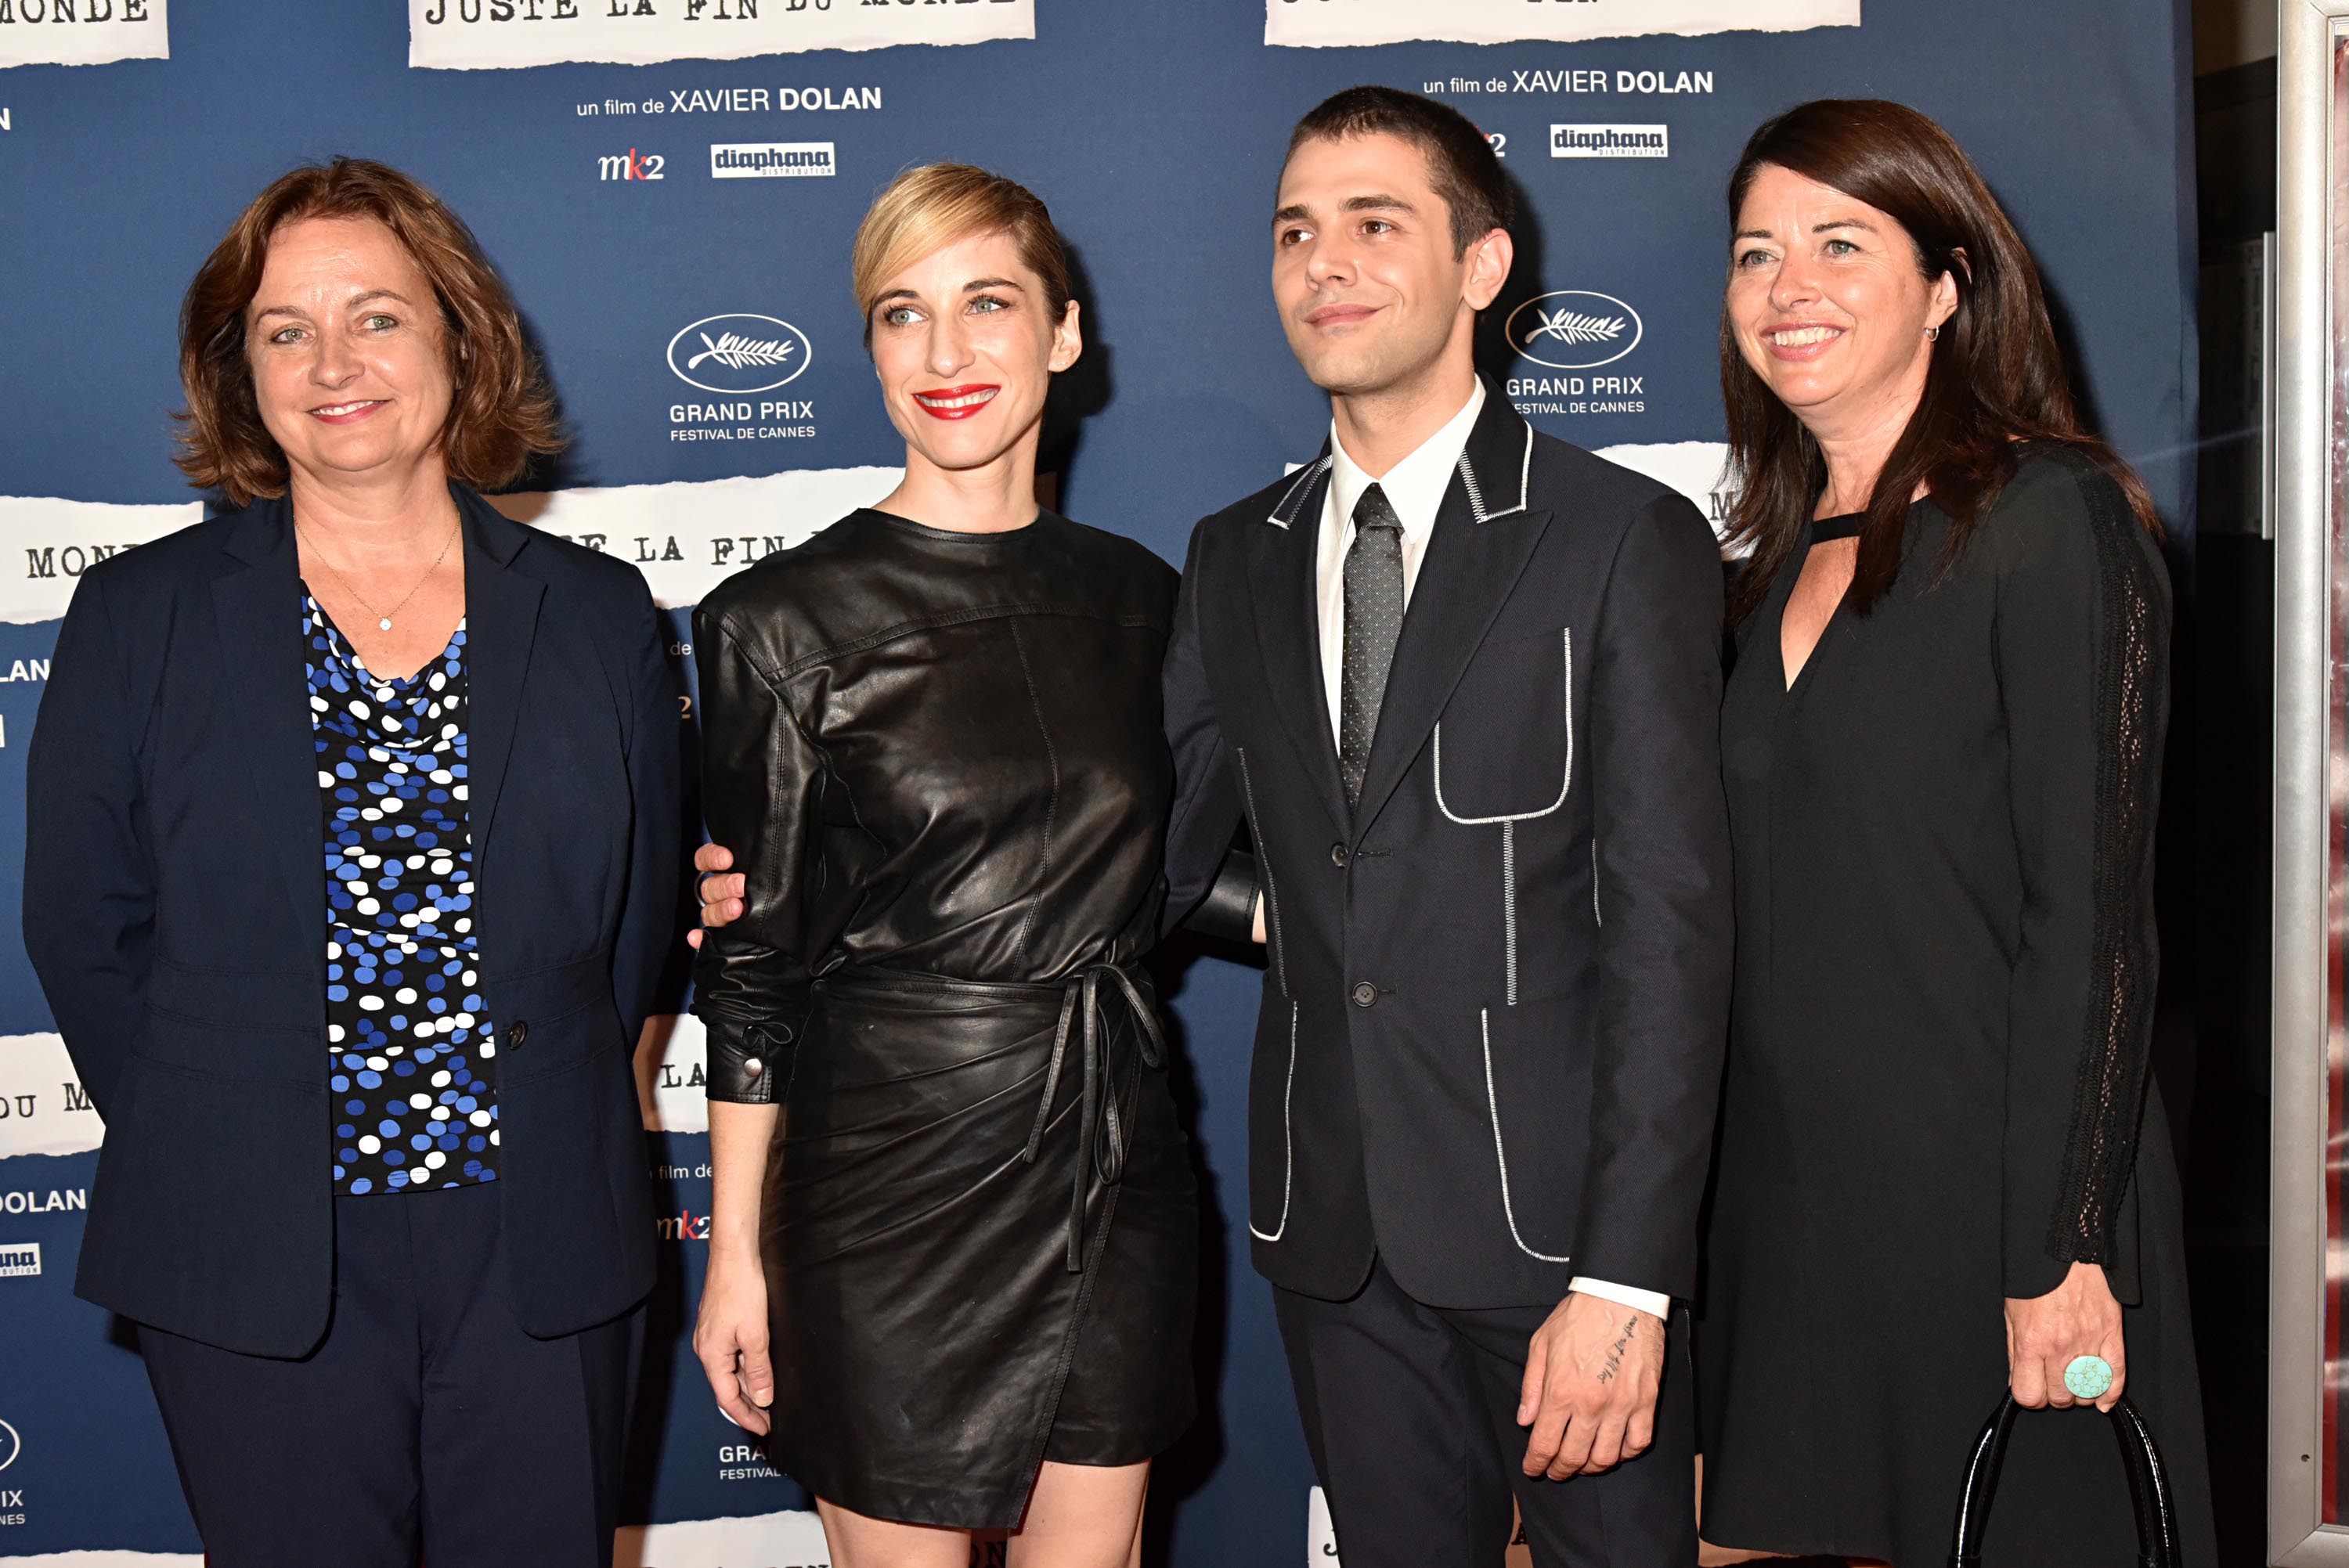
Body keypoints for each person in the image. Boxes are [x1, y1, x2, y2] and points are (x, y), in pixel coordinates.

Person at [692, 92, 1726, 1566]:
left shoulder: (1615, 534)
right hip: (1282, 1220)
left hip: (1533, 1225)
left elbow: (1673, 928)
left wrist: (1629, 1280)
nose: (1329, 263)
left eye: (1378, 224)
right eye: (1299, 230)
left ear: (1483, 267)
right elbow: (1159, 860)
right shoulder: (1238, 558)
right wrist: (767, 893)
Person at [21, 159, 682, 1567]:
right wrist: (222, 1122)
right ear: (238, 369)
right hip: (249, 1249)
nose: (335, 362)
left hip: (542, 1247)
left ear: (459, 335)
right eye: (284, 329)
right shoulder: (141, 615)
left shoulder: (598, 612)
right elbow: (83, 926)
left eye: (378, 316)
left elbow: (633, 939)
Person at [1693, 99, 2217, 1566]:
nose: (1787, 288)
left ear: (1946, 284)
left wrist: (2063, 1243)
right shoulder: (1760, 568)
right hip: (1792, 1208)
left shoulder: (2051, 520)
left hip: (2000, 1203)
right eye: (1755, 253)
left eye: (1840, 243)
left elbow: (2097, 915)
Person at [685, 164, 1221, 1568]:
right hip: (886, 1179)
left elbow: (1177, 866)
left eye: (988, 304)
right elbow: (756, 966)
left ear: (1062, 332)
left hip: (1117, 1151)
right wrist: (732, 1252)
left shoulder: (1144, 597)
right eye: (900, 314)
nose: (944, 355)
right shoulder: (776, 620)